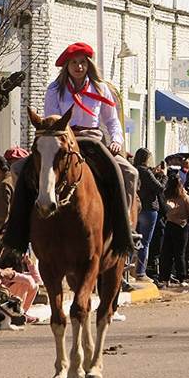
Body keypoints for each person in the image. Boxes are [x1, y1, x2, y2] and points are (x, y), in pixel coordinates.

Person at [43, 42, 138, 239]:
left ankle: (126, 224)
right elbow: (51, 119)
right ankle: (21, 228)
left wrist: (117, 141)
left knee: (130, 172)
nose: (79, 67)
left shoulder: (100, 88)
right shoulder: (55, 89)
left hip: (93, 141)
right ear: (67, 66)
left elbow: (112, 120)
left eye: (83, 63)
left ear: (88, 65)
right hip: (65, 141)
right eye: (74, 63)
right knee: (22, 169)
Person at [0, 235, 39, 323]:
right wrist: (10, 274)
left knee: (32, 284)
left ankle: (22, 312)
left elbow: (36, 280)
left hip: (1, 291)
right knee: (24, 283)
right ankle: (17, 313)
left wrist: (30, 264)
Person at [158, 176, 189, 288]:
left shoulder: (167, 197)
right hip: (182, 226)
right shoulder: (185, 197)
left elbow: (165, 210)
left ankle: (165, 278)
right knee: (180, 253)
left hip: (169, 224)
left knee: (166, 253)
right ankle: (181, 277)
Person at [133, 148, 163, 281]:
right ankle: (140, 272)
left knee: (135, 241)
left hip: (136, 208)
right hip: (149, 209)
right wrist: (164, 175)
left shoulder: (134, 170)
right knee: (145, 242)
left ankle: (131, 269)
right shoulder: (145, 171)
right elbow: (160, 188)